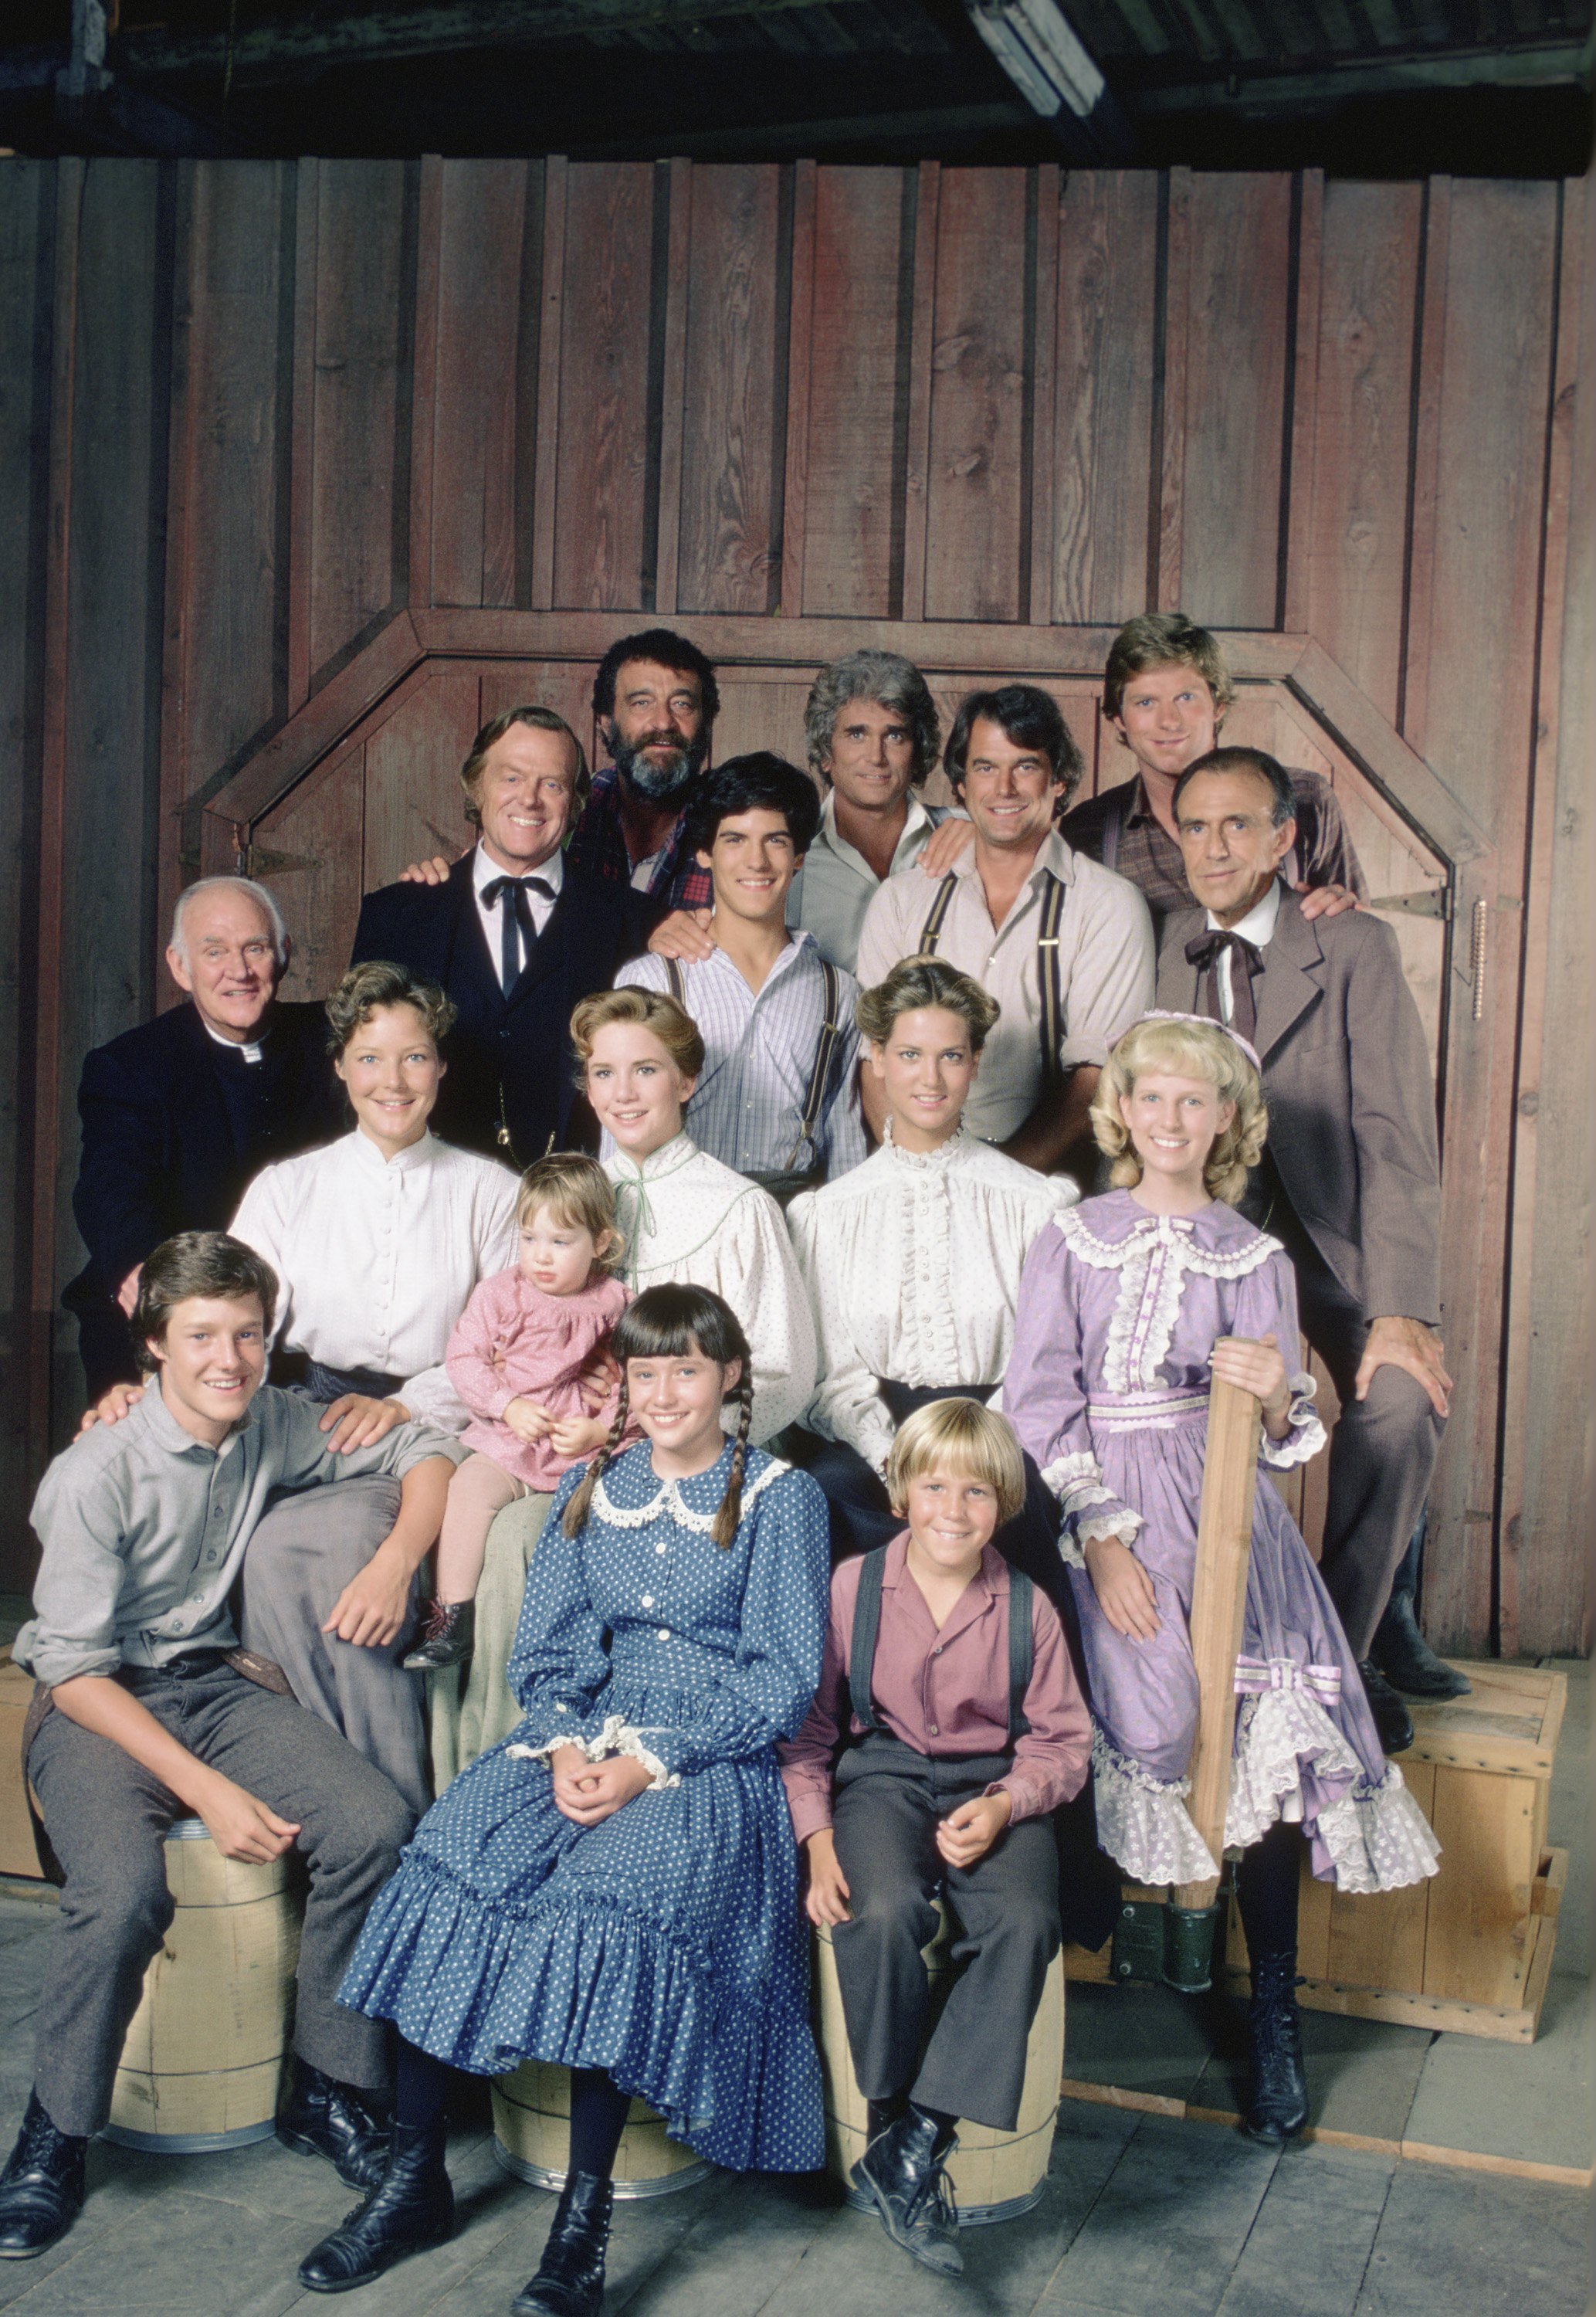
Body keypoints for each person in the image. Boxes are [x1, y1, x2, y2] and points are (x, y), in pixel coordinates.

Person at [294, 1285, 831, 2307]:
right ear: (619, 1386)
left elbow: (779, 1679)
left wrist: (645, 1762)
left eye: (686, 1369)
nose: (665, 1392)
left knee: (615, 1902)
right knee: (448, 1853)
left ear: (727, 1377)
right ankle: (414, 2181)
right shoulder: (594, 1485)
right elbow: (546, 1653)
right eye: (643, 1372)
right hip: (583, 1732)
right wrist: (563, 1749)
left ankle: (578, 2229)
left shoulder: (778, 1496)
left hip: (712, 1759)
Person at [1005, 1014, 1439, 2146]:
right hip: (1111, 1514)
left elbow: (1288, 1430)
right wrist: (1098, 1536)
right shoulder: (1070, 1238)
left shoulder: (1255, 1261)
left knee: (1265, 1734)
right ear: (1121, 1110)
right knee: (1146, 1717)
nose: (1169, 1119)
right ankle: (1069, 1978)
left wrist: (1278, 1384)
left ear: (1227, 1125)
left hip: (1231, 1526)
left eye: (1195, 1102)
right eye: (1151, 1096)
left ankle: (1274, 2018)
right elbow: (1040, 1396)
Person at [0, 1232, 459, 2264]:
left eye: (249, 1334)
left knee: (376, 1825)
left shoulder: (271, 1422)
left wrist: (395, 1558)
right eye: (202, 1335)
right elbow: (70, 1671)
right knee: (121, 1892)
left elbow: (430, 1454)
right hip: (99, 1703)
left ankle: (326, 2081)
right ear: (152, 1348)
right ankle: (54, 2134)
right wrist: (207, 1791)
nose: (230, 1359)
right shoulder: (94, 1474)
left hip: (216, 1686)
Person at [83, 962, 520, 1813]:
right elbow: (224, 1315)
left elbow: (506, 1348)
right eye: (370, 1058)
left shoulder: (490, 1193)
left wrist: (408, 1404)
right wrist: (146, 1389)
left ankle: (393, 1811)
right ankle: (326, 1800)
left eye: (415, 1058)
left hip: (444, 1424)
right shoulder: (290, 1187)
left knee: (301, 1551)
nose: (392, 1082)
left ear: (442, 1068)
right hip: (310, 1419)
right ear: (339, 1067)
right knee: (235, 1543)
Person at [1157, 747, 1455, 1742]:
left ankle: (1337, 1646)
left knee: (1402, 1408)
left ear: (1286, 838)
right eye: (1195, 826)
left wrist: (1403, 1313)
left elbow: (1398, 1140)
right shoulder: (1162, 944)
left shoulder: (1354, 945)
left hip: (1331, 1252)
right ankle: (1206, 1656)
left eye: (1239, 824)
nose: (1214, 846)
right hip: (1206, 1261)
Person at [780, 1399, 1089, 2276]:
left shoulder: (1030, 1608)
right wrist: (817, 1841)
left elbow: (1064, 1744)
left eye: (979, 1493)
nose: (954, 1510)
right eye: (935, 1486)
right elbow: (807, 1740)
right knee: (874, 1912)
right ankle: (888, 2120)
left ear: (1005, 1504)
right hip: (882, 1778)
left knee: (1024, 1924)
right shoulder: (853, 1589)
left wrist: (1007, 1804)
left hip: (995, 1787)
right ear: (900, 1492)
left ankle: (919, 2139)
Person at [785, 955, 1076, 1594]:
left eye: (951, 1056)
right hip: (875, 1440)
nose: (931, 1077)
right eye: (911, 1054)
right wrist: (888, 1456)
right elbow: (832, 1374)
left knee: (1015, 1508)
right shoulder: (827, 1214)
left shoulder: (1035, 1204)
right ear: (878, 1060)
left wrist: (974, 1461)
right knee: (821, 1495)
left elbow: (1045, 1362)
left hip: (1002, 1433)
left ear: (974, 1063)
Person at [856, 684, 1154, 1179]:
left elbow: (1097, 1080)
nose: (1004, 788)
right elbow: (873, 1062)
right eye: (986, 767)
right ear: (960, 785)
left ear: (1058, 781)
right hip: (915, 1182)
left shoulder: (1108, 904)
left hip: (1057, 1187)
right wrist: (916, 1175)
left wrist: (996, 1189)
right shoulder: (903, 900)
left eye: (1026, 766)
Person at [64, 876, 341, 1394]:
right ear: (180, 966)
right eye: (214, 952)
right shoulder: (130, 1066)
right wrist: (146, 1275)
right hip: (171, 1315)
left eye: (254, 948)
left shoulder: (333, 1040)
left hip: (303, 1322)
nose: (238, 971)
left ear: (281, 954)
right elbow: (110, 1188)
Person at [350, 705, 652, 1165]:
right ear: (477, 786)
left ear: (575, 801)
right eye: (511, 778)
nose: (529, 800)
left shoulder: (632, 919)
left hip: (572, 1207)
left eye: (552, 784)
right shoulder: (396, 914)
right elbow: (354, 1066)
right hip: (430, 1197)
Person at [403, 1154, 630, 1677]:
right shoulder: (501, 1293)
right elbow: (464, 1358)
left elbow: (636, 1378)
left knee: (599, 1513)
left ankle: (588, 1638)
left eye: (560, 1241)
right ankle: (451, 1618)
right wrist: (508, 1403)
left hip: (580, 1448)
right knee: (467, 1491)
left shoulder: (615, 1303)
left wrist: (600, 1428)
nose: (540, 1257)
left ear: (599, 1243)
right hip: (508, 1439)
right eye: (529, 1239)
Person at [615, 752, 865, 1199]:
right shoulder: (651, 981)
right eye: (735, 840)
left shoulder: (837, 993)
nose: (757, 861)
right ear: (705, 853)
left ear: (800, 856)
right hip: (676, 1215)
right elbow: (615, 1135)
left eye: (775, 841)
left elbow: (844, 1148)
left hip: (793, 1219)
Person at [575, 986, 817, 1443]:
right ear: (589, 1089)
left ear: (686, 1082)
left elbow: (784, 1374)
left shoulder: (743, 1208)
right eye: (604, 1073)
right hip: (582, 1445)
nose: (623, 1093)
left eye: (646, 1070)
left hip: (708, 1456)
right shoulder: (570, 1204)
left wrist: (682, 1446)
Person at [648, 647, 971, 975]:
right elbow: (728, 960)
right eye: (856, 734)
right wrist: (679, 934)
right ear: (826, 753)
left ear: (917, 752)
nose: (876, 756)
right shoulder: (785, 850)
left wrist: (993, 845)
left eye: (895, 735)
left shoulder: (967, 836)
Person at [1060, 612, 1367, 931]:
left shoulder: (1306, 799)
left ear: (1218, 705)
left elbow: (1357, 940)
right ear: (1119, 718)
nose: (1169, 720)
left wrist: (1342, 909)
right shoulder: (1088, 831)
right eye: (1146, 703)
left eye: (1186, 697)